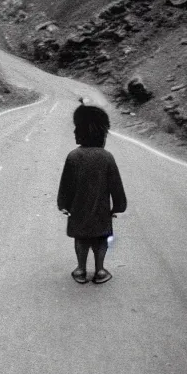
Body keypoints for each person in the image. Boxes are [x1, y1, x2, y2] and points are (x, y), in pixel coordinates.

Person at [57, 102, 127, 284]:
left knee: (81, 239)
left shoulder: (73, 156)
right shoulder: (107, 157)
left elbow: (66, 184)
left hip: (78, 209)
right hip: (101, 209)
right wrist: (118, 206)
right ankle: (100, 270)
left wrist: (63, 204)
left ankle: (80, 269)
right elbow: (115, 185)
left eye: (76, 129)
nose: (73, 132)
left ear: (82, 132)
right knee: (100, 239)